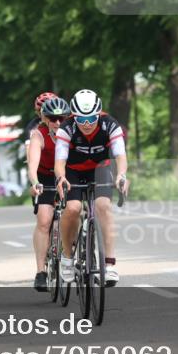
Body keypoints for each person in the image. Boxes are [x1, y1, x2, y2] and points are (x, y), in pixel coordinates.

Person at [54, 89, 129, 287]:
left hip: (100, 168)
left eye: (91, 118)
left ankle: (110, 265)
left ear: (99, 113)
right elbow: (59, 161)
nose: (86, 124)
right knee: (72, 209)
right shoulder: (66, 128)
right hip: (73, 171)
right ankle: (67, 258)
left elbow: (120, 156)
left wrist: (121, 175)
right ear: (73, 116)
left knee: (104, 206)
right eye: (81, 119)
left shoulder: (110, 125)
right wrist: (61, 178)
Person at [27, 95, 70, 292]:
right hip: (45, 178)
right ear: (44, 118)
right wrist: (35, 183)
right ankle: (40, 271)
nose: (57, 122)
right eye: (52, 118)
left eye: (61, 118)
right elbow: (32, 166)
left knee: (75, 212)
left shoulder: (71, 131)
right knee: (44, 219)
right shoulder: (38, 135)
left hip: (67, 176)